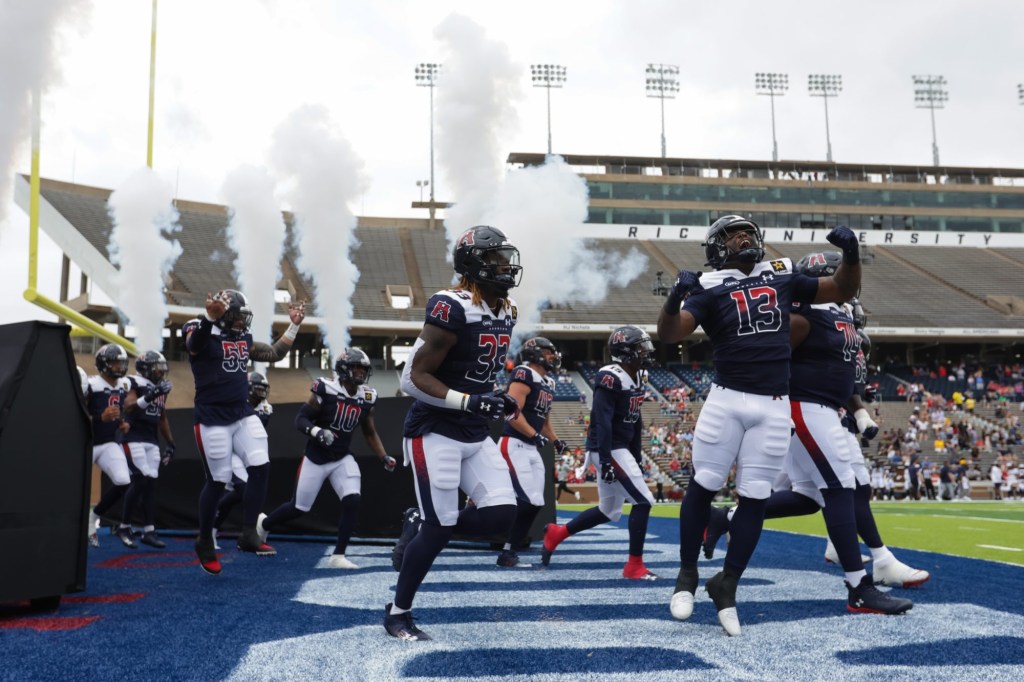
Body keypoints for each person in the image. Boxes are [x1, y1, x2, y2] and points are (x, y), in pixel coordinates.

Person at [657, 216, 861, 636]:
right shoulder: (710, 285)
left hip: (774, 404)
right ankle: (687, 574)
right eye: (732, 235)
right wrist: (673, 298)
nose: (743, 238)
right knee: (706, 482)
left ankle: (727, 584)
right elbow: (670, 333)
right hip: (727, 398)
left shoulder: (782, 273)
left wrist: (852, 254)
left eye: (748, 232)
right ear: (715, 246)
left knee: (754, 497)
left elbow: (841, 289)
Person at [702, 252, 912, 617]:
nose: (844, 281)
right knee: (840, 488)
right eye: (835, 274)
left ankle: (727, 517)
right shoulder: (801, 315)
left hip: (823, 408)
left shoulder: (836, 312)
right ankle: (859, 587)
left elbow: (838, 370)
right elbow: (767, 350)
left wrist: (859, 409)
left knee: (809, 496)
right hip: (805, 406)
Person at [385, 225, 522, 641]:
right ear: (474, 265)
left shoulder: (506, 310)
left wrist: (495, 395)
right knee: (440, 528)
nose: (505, 266)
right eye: (496, 259)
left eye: (505, 258)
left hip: (473, 430)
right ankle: (397, 613)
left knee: (502, 513)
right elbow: (413, 378)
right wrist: (468, 400)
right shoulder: (452, 307)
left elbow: (475, 372)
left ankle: (419, 524)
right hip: (435, 429)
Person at [184, 289, 305, 575]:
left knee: (261, 465)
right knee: (217, 481)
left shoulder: (242, 338)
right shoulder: (199, 327)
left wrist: (294, 324)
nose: (241, 322)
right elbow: (194, 344)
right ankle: (204, 540)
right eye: (237, 317)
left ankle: (249, 532)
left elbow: (274, 353)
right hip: (212, 418)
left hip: (241, 414)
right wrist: (207, 318)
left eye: (242, 317)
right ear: (222, 315)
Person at [257, 348, 397, 568]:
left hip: (341, 456)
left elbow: (369, 432)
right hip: (316, 457)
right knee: (299, 507)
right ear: (343, 369)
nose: (360, 373)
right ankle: (264, 524)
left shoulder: (367, 396)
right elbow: (300, 419)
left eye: (363, 369)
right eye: (356, 368)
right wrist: (317, 432)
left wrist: (383, 456)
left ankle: (338, 555)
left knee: (352, 500)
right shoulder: (326, 389)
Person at [541, 325, 659, 581]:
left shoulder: (639, 375)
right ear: (625, 351)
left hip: (620, 447)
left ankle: (557, 533)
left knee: (609, 510)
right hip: (608, 447)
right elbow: (601, 420)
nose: (645, 352)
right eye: (640, 347)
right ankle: (634, 566)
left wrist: (636, 454)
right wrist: (604, 459)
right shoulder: (610, 376)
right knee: (644, 501)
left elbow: (635, 418)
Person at [494, 337, 570, 568]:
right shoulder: (523, 373)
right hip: (514, 442)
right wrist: (532, 434)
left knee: (536, 501)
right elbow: (512, 412)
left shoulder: (548, 383)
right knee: (527, 499)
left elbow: (544, 421)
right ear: (535, 353)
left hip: (529, 446)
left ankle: (509, 550)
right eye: (548, 352)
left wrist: (555, 441)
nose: (552, 357)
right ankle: (505, 548)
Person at [117, 350, 176, 549]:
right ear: (145, 368)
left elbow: (162, 417)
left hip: (151, 439)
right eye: (157, 369)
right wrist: (151, 395)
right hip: (133, 436)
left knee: (150, 484)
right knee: (140, 479)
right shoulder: (132, 381)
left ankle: (149, 531)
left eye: (162, 369)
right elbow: (129, 407)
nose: (160, 373)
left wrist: (170, 442)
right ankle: (124, 526)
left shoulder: (161, 388)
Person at [211, 372, 273, 549]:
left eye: (263, 390)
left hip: (245, 452)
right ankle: (248, 529)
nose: (261, 393)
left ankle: (213, 528)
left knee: (240, 493)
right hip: (229, 450)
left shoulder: (265, 407)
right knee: (244, 488)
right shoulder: (236, 401)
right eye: (258, 389)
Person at [85, 343, 133, 548]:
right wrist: (99, 418)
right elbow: (74, 415)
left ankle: (91, 519)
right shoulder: (90, 384)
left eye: (121, 362)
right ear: (103, 364)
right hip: (85, 443)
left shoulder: (124, 385)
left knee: (123, 481)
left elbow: (118, 408)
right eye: (114, 363)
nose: (119, 367)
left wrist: (121, 422)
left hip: (107, 443)